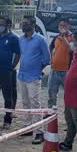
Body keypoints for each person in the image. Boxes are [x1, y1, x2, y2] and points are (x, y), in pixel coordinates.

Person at [17, 15, 51, 144]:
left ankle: (39, 132)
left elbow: (47, 59)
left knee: (35, 104)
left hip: (33, 77)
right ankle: (27, 127)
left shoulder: (40, 40)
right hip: (22, 75)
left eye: (26, 23)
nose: (24, 25)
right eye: (23, 23)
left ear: (33, 25)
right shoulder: (21, 39)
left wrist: (37, 69)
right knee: (25, 102)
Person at [47, 19, 73, 108]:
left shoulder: (72, 37)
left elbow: (71, 49)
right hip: (54, 70)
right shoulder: (56, 37)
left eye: (64, 26)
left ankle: (69, 113)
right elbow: (51, 47)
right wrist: (52, 59)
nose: (62, 27)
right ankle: (50, 112)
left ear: (69, 26)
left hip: (67, 71)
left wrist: (63, 37)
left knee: (69, 94)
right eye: (60, 25)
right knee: (51, 93)